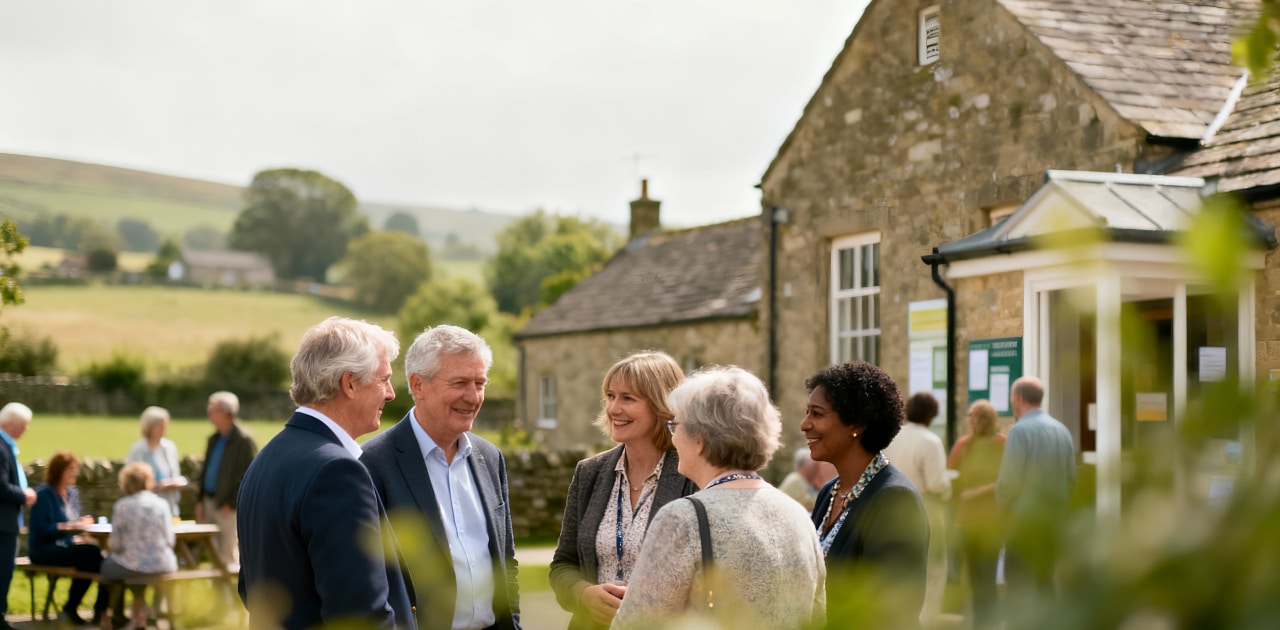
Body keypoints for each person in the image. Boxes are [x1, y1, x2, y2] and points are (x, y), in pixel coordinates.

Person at [236, 317, 415, 630]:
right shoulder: (337, 472)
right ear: (349, 384)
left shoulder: (266, 458)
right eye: (383, 379)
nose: (390, 393)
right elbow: (360, 616)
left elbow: (249, 589)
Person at [613, 366, 825, 630]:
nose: (673, 437)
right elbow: (817, 616)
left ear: (700, 439)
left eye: (676, 425)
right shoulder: (798, 515)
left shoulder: (682, 518)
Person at [361, 325, 520, 630]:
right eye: (460, 382)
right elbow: (370, 580)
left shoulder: (491, 458)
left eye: (480, 383)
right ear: (418, 385)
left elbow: (506, 560)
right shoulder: (372, 464)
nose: (473, 397)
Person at [549, 351, 698, 630]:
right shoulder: (589, 473)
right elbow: (562, 565)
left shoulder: (692, 475)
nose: (614, 408)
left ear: (662, 405)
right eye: (610, 396)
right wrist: (583, 594)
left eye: (628, 398)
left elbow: (711, 577)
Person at [802, 361, 929, 629]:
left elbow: (893, 612)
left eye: (817, 414)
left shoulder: (893, 499)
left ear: (856, 424)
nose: (805, 424)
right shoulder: (830, 492)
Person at [995, 376, 1076, 616]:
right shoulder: (1062, 431)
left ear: (1019, 398)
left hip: (1024, 524)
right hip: (1054, 523)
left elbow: (1009, 483)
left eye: (1012, 398)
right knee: (1047, 583)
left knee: (1018, 587)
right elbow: (1071, 477)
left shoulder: (1019, 431)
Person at [882, 391, 951, 625]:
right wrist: (952, 483)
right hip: (925, 506)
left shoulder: (893, 437)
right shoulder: (930, 441)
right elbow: (936, 483)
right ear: (931, 415)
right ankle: (927, 622)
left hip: (892, 508)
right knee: (933, 568)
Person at [28, 450, 112, 625]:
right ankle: (72, 607)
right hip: (44, 550)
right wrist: (72, 526)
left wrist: (81, 523)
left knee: (108, 562)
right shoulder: (44, 495)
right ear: (59, 471)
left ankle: (100, 611)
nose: (76, 472)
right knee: (91, 554)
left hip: (67, 547)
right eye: (71, 469)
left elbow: (74, 523)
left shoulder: (72, 493)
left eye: (76, 468)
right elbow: (44, 529)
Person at [947, 399, 1006, 630]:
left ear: (988, 420)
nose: (972, 423)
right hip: (966, 521)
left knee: (987, 574)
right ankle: (977, 621)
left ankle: (988, 620)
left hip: (991, 519)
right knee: (971, 575)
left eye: (977, 418)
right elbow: (950, 475)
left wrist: (976, 492)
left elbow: (1005, 479)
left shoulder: (1001, 444)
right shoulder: (964, 445)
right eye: (970, 418)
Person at [101, 462, 178, 630]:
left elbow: (116, 544)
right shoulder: (161, 504)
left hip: (133, 564)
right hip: (163, 563)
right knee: (138, 567)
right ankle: (142, 615)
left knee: (108, 566)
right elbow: (170, 540)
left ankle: (110, 614)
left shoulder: (122, 505)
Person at [196, 390, 257, 569]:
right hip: (209, 501)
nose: (209, 413)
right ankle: (216, 596)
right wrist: (199, 500)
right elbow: (205, 471)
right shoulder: (214, 439)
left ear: (226, 413)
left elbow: (248, 475)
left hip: (227, 508)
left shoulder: (243, 440)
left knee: (227, 554)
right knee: (211, 552)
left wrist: (231, 503)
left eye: (212, 409)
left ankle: (229, 596)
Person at [0, 403, 36, 630]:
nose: (25, 431)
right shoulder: (1, 447)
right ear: (12, 424)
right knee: (2, 570)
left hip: (7, 522)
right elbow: (1, 487)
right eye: (24, 426)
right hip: (2, 524)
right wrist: (24, 494)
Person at [124, 406, 184, 517]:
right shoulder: (138, 450)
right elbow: (129, 480)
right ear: (150, 426)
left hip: (168, 507)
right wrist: (155, 485)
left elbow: (176, 474)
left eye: (165, 425)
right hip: (143, 509)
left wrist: (173, 482)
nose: (163, 428)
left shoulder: (170, 447)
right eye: (160, 425)